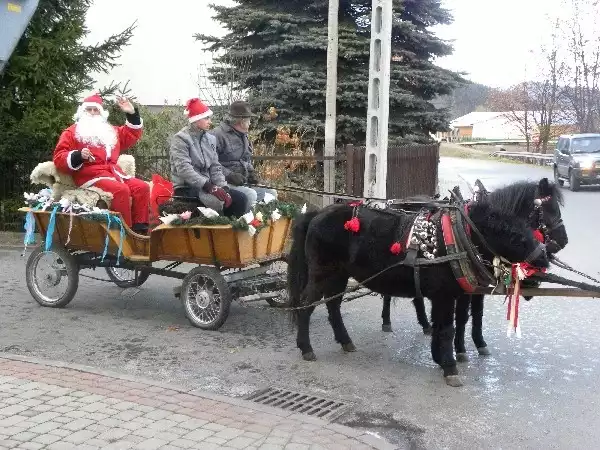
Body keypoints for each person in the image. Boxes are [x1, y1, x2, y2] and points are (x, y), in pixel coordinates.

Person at [53, 93, 150, 234]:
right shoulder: (72, 132)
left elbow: (130, 134)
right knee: (121, 190)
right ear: (82, 112)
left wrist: (132, 113)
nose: (92, 112)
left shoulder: (109, 130)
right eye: (89, 109)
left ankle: (140, 231)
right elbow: (59, 157)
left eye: (96, 109)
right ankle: (124, 233)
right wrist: (78, 155)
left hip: (112, 173)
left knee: (142, 187)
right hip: (89, 176)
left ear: (101, 112)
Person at [169, 98, 248, 217]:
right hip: (188, 188)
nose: (210, 121)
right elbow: (184, 169)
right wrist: (208, 186)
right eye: (206, 118)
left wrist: (223, 187)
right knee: (218, 202)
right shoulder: (181, 139)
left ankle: (229, 232)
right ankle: (218, 231)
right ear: (196, 120)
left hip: (208, 187)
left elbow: (215, 167)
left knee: (240, 199)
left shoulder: (210, 139)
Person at [211, 101, 277, 206]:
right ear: (241, 121)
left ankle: (263, 221)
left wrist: (252, 173)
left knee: (271, 193)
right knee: (250, 195)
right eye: (249, 120)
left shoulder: (244, 135)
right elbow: (211, 162)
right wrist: (229, 175)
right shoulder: (217, 135)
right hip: (224, 183)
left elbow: (246, 159)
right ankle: (244, 222)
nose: (250, 123)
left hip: (243, 181)